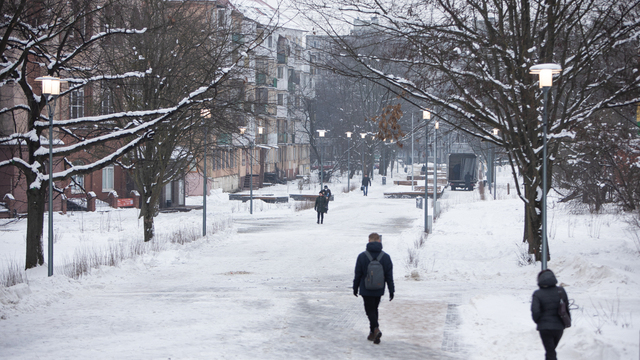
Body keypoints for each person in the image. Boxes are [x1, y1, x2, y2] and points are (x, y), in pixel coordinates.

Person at [353, 233, 394, 344]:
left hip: (366, 288)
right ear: (379, 241)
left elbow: (358, 273)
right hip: (379, 288)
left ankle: (375, 328)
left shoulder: (362, 256)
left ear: (369, 240)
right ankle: (373, 333)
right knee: (374, 309)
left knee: (369, 310)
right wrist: (391, 290)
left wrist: (355, 287)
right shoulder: (385, 257)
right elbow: (389, 275)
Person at [531, 269, 570, 360]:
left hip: (544, 328)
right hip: (559, 327)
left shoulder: (537, 294)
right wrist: (566, 322)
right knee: (551, 350)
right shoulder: (561, 291)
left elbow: (535, 312)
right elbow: (566, 308)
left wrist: (539, 322)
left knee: (550, 351)